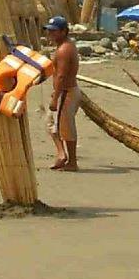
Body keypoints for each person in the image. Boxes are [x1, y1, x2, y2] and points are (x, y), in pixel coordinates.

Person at [44, 16, 81, 171]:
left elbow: (61, 75)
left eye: (54, 31)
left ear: (64, 31)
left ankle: (71, 162)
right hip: (66, 91)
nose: (50, 34)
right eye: (49, 31)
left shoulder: (64, 49)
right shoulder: (65, 46)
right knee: (56, 125)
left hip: (67, 92)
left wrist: (55, 97)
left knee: (66, 128)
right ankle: (62, 155)